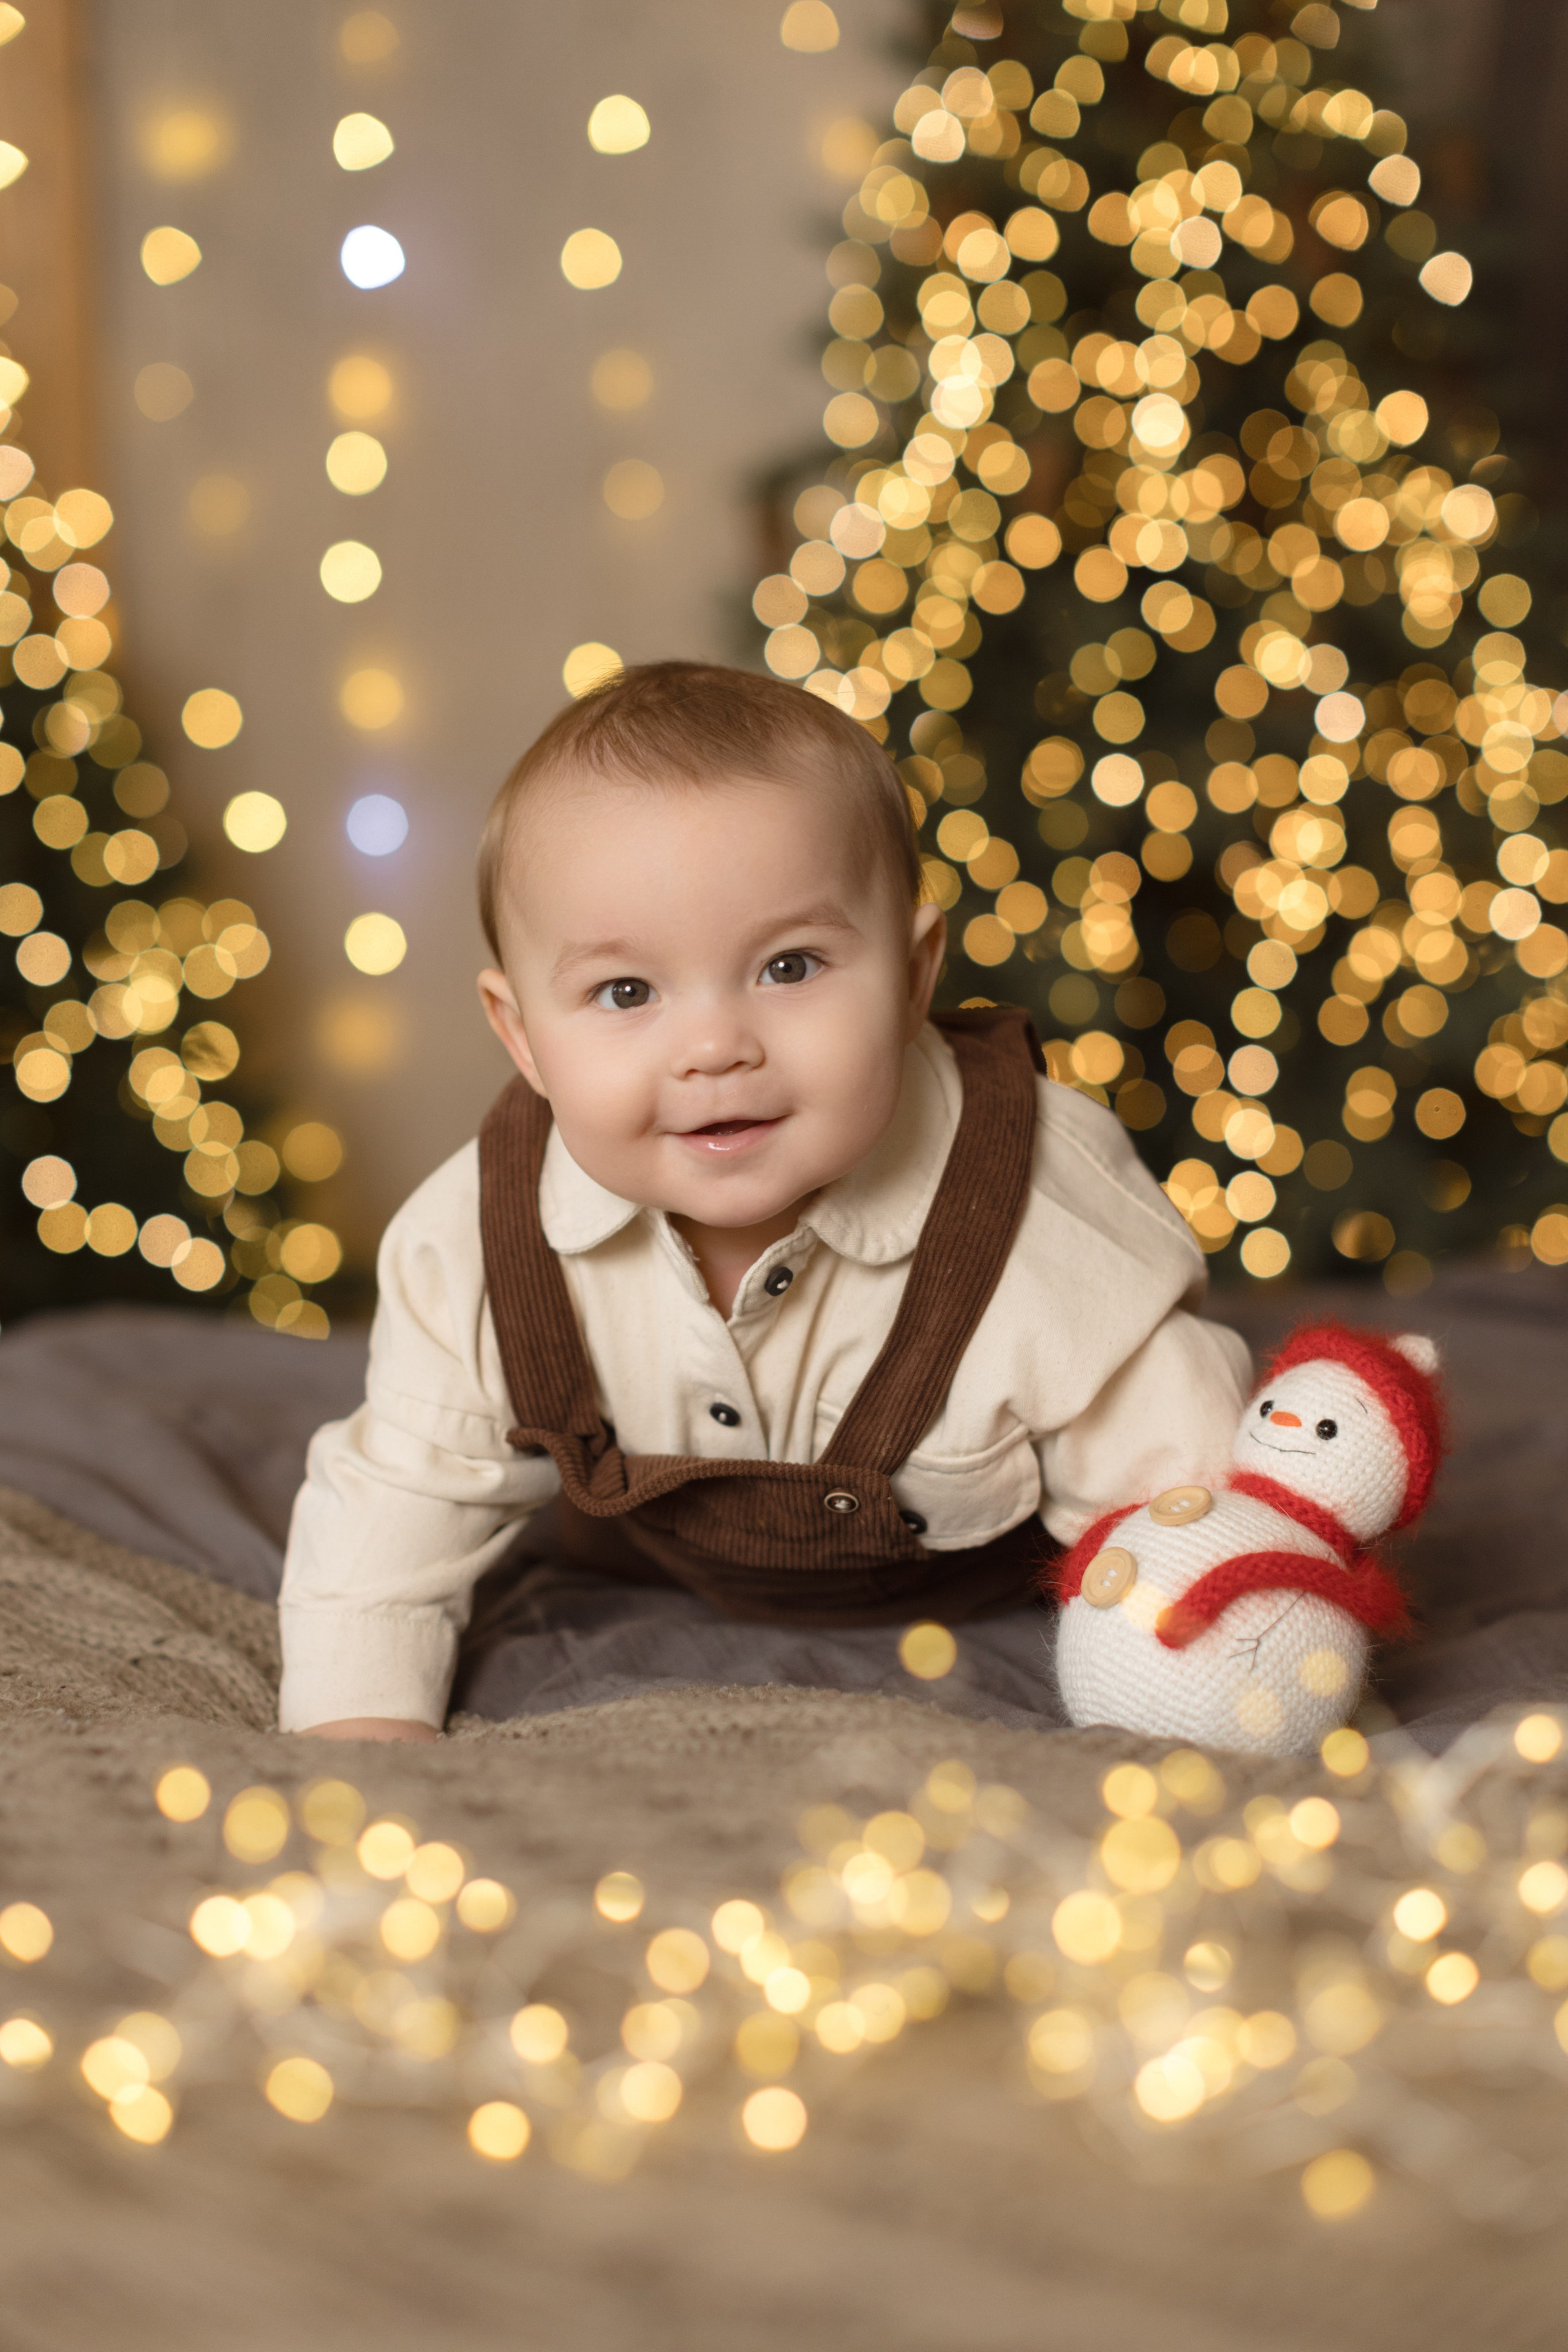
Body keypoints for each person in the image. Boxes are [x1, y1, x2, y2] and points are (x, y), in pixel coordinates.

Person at [279, 660, 1250, 1741]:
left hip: (990, 1584)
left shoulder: (1025, 1213)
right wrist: (357, 1739)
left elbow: (1186, 1487)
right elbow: (394, 1508)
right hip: (661, 1568)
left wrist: (1204, 1684)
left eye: (790, 967)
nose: (714, 1049)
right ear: (522, 1037)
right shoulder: (479, 1244)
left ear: (915, 973)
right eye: (626, 992)